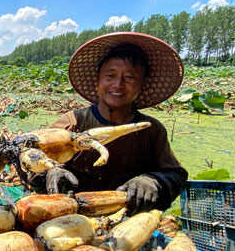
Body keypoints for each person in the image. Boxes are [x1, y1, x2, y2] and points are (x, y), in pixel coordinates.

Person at [39, 32, 188, 215]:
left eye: (129, 78)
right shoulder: (72, 123)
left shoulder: (152, 130)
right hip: (72, 217)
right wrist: (50, 172)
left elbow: (177, 175)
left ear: (142, 85)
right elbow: (32, 158)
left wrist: (152, 181)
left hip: (127, 218)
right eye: (110, 76)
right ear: (98, 81)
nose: (118, 85)